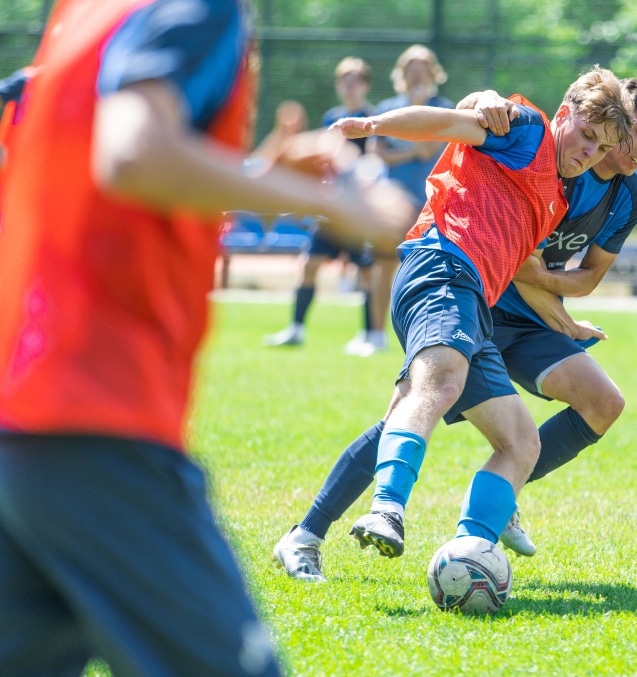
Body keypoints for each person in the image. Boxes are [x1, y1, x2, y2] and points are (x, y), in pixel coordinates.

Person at [0, 1, 414, 675]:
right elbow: (132, 155)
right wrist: (336, 205)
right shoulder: (196, 8)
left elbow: (113, 177)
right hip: (97, 420)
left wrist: (264, 176)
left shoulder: (86, 13)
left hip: (22, 416)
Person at [271, 66, 635, 579]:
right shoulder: (525, 129)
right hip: (439, 266)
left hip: (475, 303)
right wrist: (374, 126)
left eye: (599, 150)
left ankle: (461, 551)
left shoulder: (557, 196)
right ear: (563, 114)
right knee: (439, 385)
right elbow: (445, 124)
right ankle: (387, 508)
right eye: (586, 135)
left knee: (519, 443)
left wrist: (566, 324)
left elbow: (522, 273)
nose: (588, 151)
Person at [489, 79, 637, 556]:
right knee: (410, 414)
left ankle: (500, 497)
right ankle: (311, 530)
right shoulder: (559, 163)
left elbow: (586, 279)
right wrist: (563, 318)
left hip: (534, 317)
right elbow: (511, 262)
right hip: (480, 306)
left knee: (603, 404)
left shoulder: (630, 195)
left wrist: (542, 279)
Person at [343, 44, 456, 356]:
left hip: (432, 206)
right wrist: (407, 152)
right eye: (410, 69)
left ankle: (430, 337)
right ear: (401, 74)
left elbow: (433, 150)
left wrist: (419, 109)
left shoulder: (443, 107)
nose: (416, 75)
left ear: (434, 73)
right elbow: (376, 153)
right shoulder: (387, 107)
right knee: (382, 265)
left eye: (423, 69)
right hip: (393, 203)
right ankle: (374, 334)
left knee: (430, 270)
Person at [264, 56, 381, 350]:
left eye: (355, 79)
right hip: (331, 210)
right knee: (309, 265)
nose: (349, 86)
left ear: (365, 84)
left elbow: (373, 163)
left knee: (367, 274)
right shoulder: (332, 117)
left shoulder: (374, 118)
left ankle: (371, 335)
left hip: (359, 212)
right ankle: (296, 329)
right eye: (344, 80)